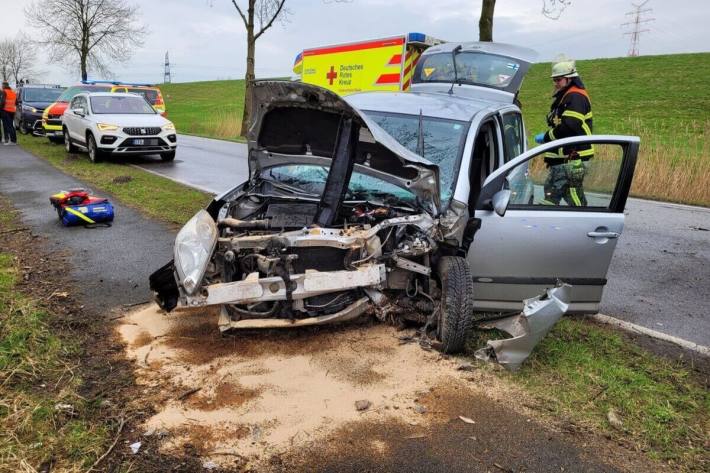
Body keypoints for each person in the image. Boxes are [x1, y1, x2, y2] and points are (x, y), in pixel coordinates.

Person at [533, 59, 593, 206]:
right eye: (554, 80)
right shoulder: (568, 96)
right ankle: (545, 220)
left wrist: (547, 137)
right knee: (555, 192)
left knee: (569, 195)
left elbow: (569, 127)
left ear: (569, 78)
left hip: (572, 158)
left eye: (558, 79)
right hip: (565, 159)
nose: (555, 83)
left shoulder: (575, 97)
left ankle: (584, 219)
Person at [0, 81, 18, 146]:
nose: (1, 86)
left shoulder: (4, 92)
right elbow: (16, 102)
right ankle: (14, 140)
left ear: (4, 86)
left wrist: (1, 108)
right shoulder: (13, 92)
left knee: (8, 126)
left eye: (2, 85)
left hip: (5, 111)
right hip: (12, 111)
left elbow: (2, 102)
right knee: (11, 126)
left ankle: (11, 141)